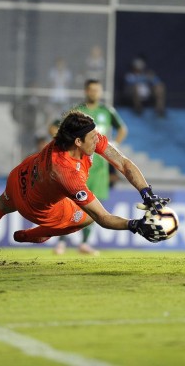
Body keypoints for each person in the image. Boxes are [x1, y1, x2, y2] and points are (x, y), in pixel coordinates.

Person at [0, 110, 170, 267]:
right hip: (35, 207)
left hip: (18, 178)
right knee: (86, 218)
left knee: (1, 204)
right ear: (78, 142)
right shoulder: (66, 174)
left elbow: (123, 163)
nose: (98, 139)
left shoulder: (77, 138)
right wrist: (135, 225)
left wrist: (146, 192)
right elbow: (101, 217)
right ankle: (36, 234)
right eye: (92, 137)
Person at [54, 79, 128, 256]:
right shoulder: (77, 111)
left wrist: (114, 144)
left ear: (100, 92)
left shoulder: (107, 111)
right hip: (78, 162)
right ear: (86, 91)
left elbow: (122, 129)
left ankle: (85, 243)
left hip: (99, 167)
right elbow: (54, 127)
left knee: (95, 205)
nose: (94, 93)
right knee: (72, 201)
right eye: (91, 90)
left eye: (97, 90)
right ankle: (61, 242)